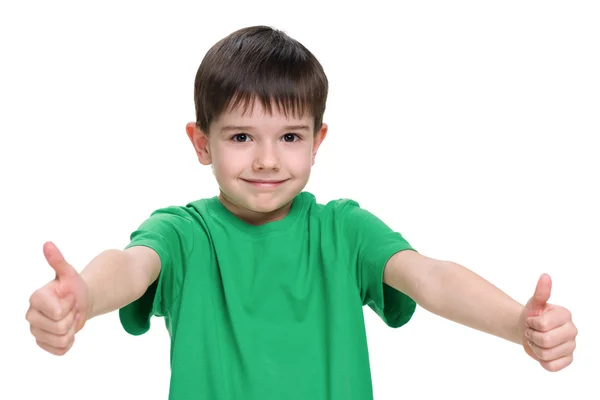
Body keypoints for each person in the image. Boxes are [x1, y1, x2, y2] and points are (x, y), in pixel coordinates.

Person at [25, 25, 578, 399]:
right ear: (200, 143)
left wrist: (516, 324)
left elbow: (430, 276)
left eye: (289, 136)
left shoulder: (343, 230)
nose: (267, 159)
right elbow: (130, 265)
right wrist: (84, 299)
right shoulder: (184, 232)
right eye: (241, 135)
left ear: (317, 141)